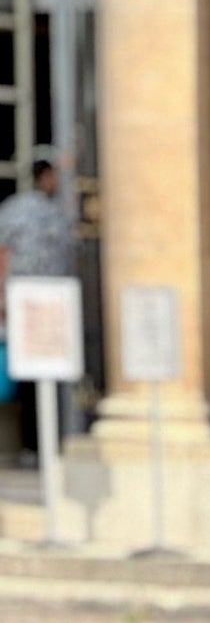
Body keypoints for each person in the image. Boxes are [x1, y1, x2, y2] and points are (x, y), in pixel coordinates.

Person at [0, 157, 78, 462]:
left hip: (58, 302)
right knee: (31, 377)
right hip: (27, 303)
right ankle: (32, 444)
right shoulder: (17, 209)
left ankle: (58, 439)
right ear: (44, 176)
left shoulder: (64, 210)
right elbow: (2, 253)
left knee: (57, 374)